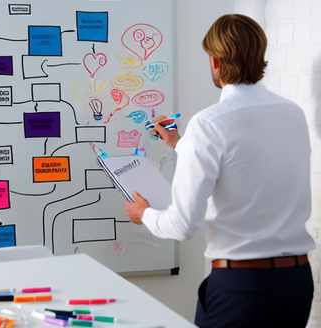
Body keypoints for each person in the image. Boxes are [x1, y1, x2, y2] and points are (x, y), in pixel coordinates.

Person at [124, 14, 315, 328]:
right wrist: (179, 143)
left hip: (244, 288)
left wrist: (143, 213)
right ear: (259, 56)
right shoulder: (292, 113)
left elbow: (182, 225)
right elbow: (247, 164)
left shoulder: (208, 122)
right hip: (296, 284)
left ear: (215, 61)